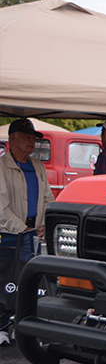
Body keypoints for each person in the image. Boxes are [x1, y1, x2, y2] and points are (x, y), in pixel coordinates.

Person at [0, 117, 55, 346]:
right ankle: (3, 325)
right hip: (10, 234)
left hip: (31, 233)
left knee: (28, 280)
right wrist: (22, 229)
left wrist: (45, 223)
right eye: (26, 138)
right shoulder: (2, 167)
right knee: (6, 280)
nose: (32, 142)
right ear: (12, 140)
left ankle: (21, 323)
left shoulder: (38, 166)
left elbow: (47, 198)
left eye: (34, 138)